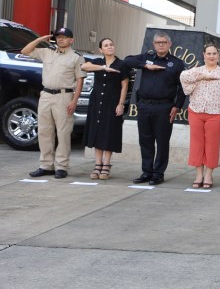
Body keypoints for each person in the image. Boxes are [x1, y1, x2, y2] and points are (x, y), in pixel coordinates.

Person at [21, 27, 85, 179]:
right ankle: (46, 165)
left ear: (71, 40)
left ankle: (61, 166)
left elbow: (80, 80)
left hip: (64, 96)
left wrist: (74, 101)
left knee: (63, 132)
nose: (60, 39)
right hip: (46, 95)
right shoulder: (47, 52)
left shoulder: (76, 57)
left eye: (64, 37)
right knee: (44, 131)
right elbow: (25, 51)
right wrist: (39, 40)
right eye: (58, 37)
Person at [124, 33, 186, 186]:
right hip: (145, 106)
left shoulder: (176, 63)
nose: (161, 45)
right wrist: (145, 65)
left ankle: (158, 174)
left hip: (164, 107)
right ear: (153, 44)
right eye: (158, 42)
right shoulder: (147, 57)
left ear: (169, 44)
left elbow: (183, 87)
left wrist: (177, 106)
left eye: (164, 42)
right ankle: (147, 172)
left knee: (162, 142)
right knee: (145, 141)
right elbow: (127, 61)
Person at [179, 44, 220, 189]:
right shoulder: (196, 71)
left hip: (216, 113)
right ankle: (198, 174)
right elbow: (183, 76)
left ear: (218, 56)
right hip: (196, 111)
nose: (211, 56)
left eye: (214, 54)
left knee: (212, 144)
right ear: (203, 55)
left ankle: (209, 174)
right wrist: (200, 77)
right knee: (197, 143)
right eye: (208, 53)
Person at [81, 37, 130, 180]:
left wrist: (121, 103)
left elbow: (125, 86)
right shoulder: (98, 62)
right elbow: (84, 67)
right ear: (101, 50)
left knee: (109, 132)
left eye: (111, 45)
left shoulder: (121, 64)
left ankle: (106, 165)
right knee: (97, 131)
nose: (109, 47)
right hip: (97, 101)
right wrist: (103, 68)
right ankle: (97, 164)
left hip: (112, 101)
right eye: (106, 45)